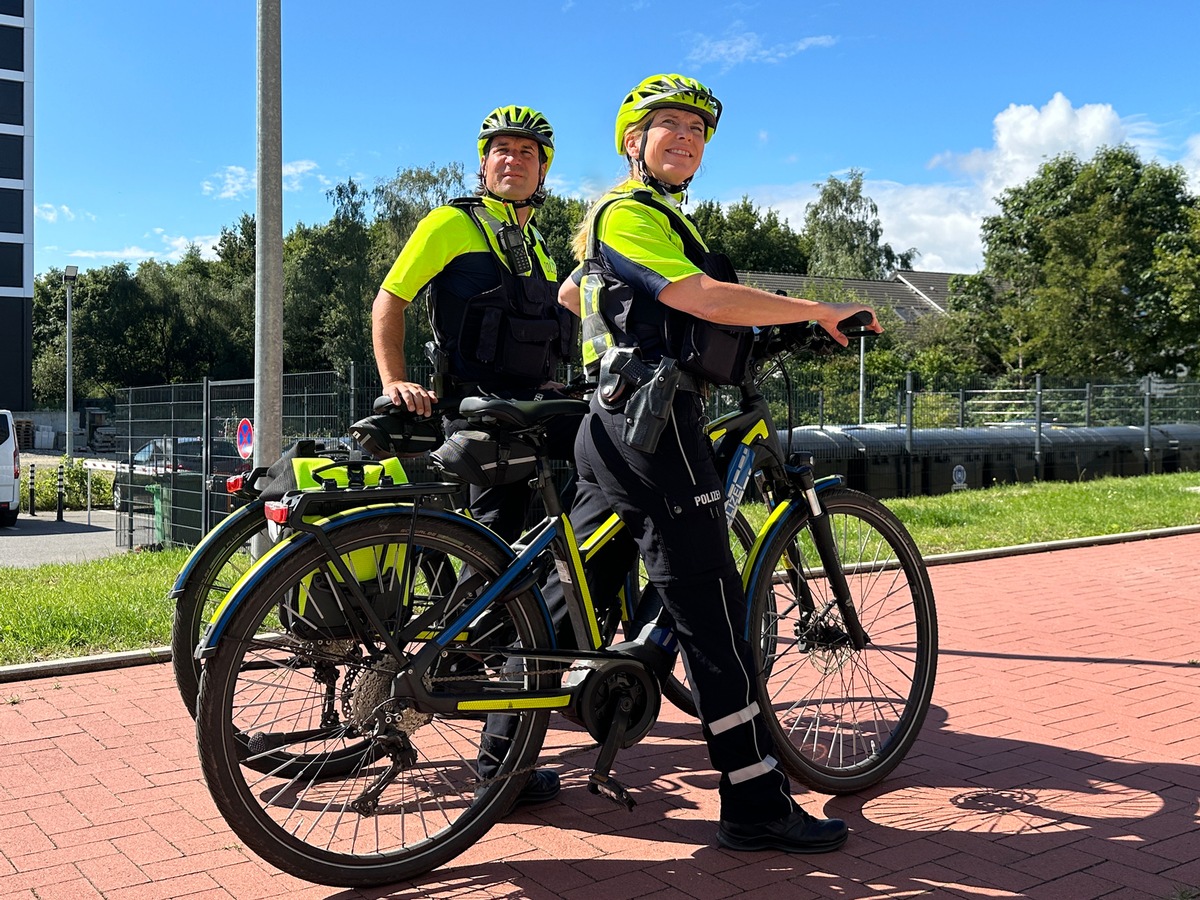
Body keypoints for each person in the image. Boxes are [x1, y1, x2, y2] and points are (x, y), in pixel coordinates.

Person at [558, 73, 882, 853]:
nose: (685, 139)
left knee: (573, 587)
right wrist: (815, 310)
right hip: (654, 429)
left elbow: (575, 296)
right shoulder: (630, 212)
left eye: (697, 131)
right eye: (666, 125)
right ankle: (754, 801)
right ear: (631, 141)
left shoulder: (643, 220)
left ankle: (505, 758)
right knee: (714, 613)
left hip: (612, 425)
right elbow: (698, 296)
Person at [371, 104, 577, 807]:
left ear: (544, 168)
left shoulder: (541, 245)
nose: (512, 160)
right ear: (482, 162)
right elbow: (390, 301)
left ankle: (493, 674)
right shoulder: (449, 224)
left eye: (527, 152)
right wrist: (394, 379)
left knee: (530, 561)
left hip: (537, 422)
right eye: (500, 150)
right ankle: (492, 746)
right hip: (481, 420)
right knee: (506, 577)